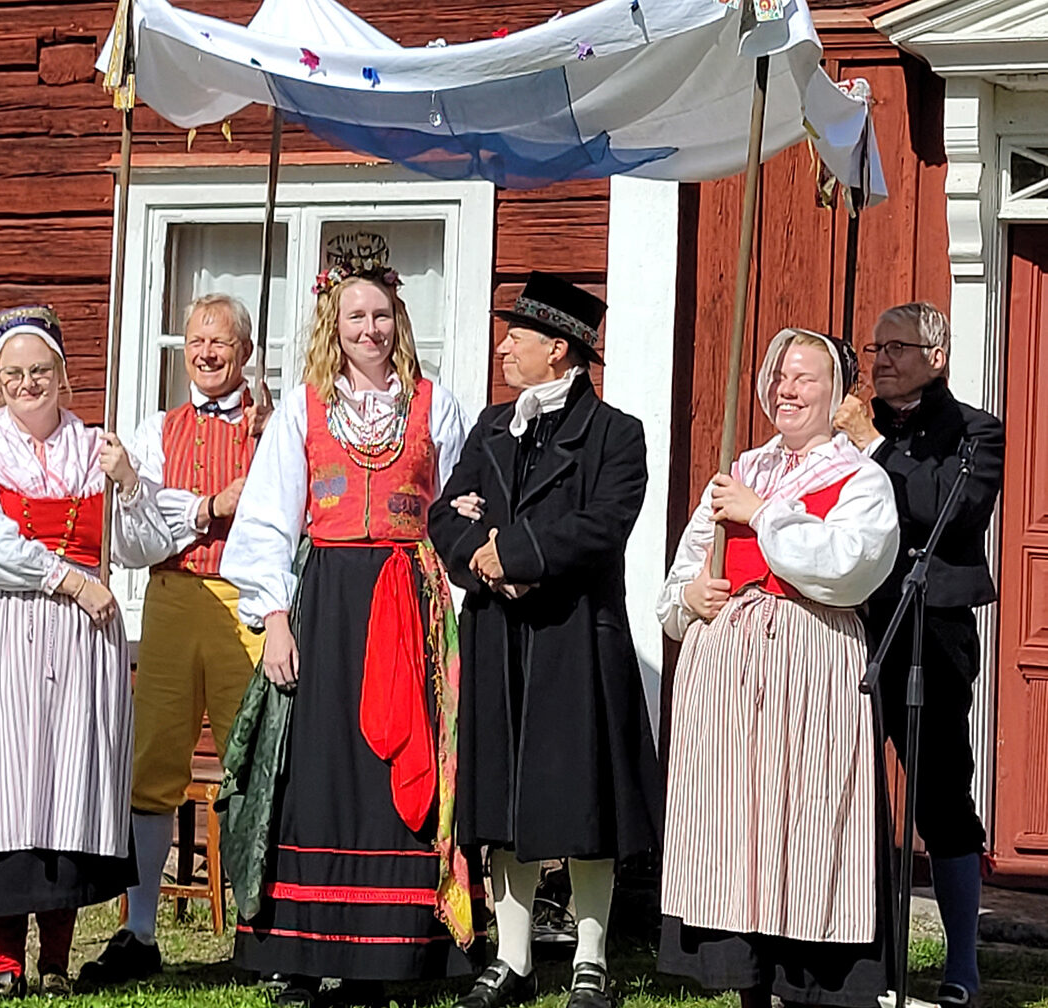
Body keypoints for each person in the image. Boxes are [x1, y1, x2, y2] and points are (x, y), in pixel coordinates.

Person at [221, 250, 477, 1000]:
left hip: (410, 597)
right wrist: (273, 616)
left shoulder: (436, 405)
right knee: (319, 767)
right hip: (326, 598)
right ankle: (302, 952)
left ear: (399, 322)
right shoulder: (305, 408)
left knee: (399, 763)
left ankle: (396, 950)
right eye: (355, 316)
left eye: (381, 315)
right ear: (334, 325)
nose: (369, 329)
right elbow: (267, 518)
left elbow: (461, 506)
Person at [0, 305, 173, 999]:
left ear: (64, 376)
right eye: (13, 375)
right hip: (1, 631)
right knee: (3, 788)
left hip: (80, 643)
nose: (27, 385)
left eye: (40, 371)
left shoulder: (99, 451)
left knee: (66, 788)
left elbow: (145, 545)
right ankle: (7, 964)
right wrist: (69, 579)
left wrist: (127, 483)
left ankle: (56, 963)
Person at [429, 272, 659, 1008]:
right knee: (498, 804)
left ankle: (590, 958)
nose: (504, 348)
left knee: (583, 804)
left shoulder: (616, 434)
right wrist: (483, 562)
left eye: (516, 337)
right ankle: (515, 959)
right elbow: (443, 514)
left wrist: (518, 555)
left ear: (558, 350)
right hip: (497, 633)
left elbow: (603, 525)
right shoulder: (493, 426)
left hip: (574, 635)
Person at [656, 328, 900, 1008]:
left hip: (808, 669)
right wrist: (688, 599)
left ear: (836, 393)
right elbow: (681, 574)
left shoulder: (861, 478)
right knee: (734, 826)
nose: (787, 389)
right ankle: (745, 982)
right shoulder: (740, 470)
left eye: (805, 378)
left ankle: (810, 981)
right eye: (779, 376)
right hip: (727, 680)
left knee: (805, 821)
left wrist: (764, 516)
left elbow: (849, 568)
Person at [79, 293, 271, 987]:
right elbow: (139, 536)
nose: (206, 353)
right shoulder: (156, 430)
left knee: (250, 762)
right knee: (152, 765)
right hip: (168, 596)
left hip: (246, 601)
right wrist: (207, 507)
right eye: (196, 340)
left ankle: (262, 927)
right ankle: (139, 929)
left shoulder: (270, 425)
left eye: (220, 342)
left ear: (245, 351)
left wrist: (267, 449)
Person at [834, 302, 1004, 1008]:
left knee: (937, 791)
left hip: (929, 628)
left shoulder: (974, 430)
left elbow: (947, 513)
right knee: (838, 787)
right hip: (849, 620)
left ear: (936, 356)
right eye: (875, 347)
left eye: (897, 347)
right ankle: (847, 956)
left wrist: (872, 449)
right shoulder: (843, 427)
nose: (880, 360)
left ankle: (960, 962)